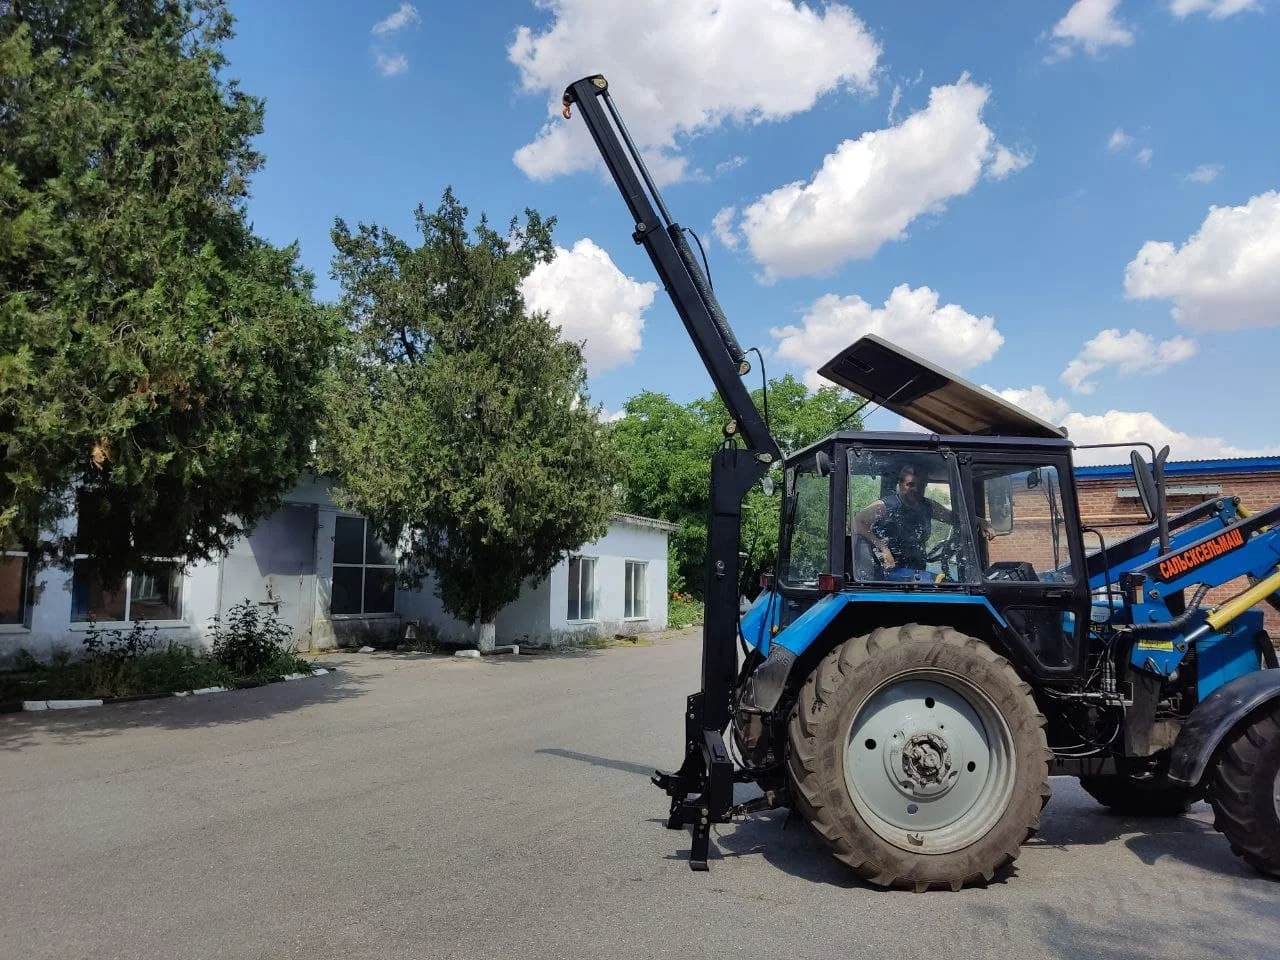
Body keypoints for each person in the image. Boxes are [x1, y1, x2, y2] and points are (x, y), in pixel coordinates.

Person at [852, 463, 993, 581]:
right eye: (910, 484)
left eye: (920, 485)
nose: (915, 489)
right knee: (941, 583)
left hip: (916, 569)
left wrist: (979, 521)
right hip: (889, 572)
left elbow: (954, 518)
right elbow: (856, 523)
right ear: (900, 484)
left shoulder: (927, 506)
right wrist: (883, 547)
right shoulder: (886, 506)